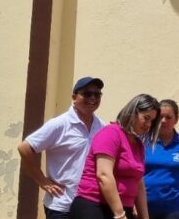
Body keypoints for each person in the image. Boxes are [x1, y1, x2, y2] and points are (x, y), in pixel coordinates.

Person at [18, 77, 107, 219]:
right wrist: (42, 181)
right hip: (62, 205)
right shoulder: (59, 124)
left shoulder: (101, 126)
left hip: (89, 205)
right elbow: (24, 148)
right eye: (87, 94)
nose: (93, 98)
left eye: (97, 94)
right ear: (74, 97)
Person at [70, 94, 160, 219]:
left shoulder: (138, 144)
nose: (148, 124)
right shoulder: (111, 133)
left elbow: (138, 182)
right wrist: (120, 214)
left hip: (123, 209)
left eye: (152, 121)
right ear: (133, 113)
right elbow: (103, 175)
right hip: (95, 205)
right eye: (146, 118)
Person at [144, 99, 179, 219]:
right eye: (160, 117)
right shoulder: (143, 141)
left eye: (168, 117)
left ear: (176, 119)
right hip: (144, 207)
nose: (163, 121)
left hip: (173, 210)